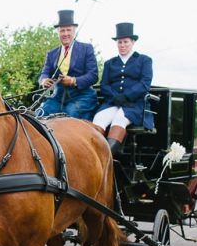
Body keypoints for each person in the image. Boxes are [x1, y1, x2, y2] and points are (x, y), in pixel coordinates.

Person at [93, 22, 153, 154]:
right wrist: (114, 97)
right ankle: (92, 154)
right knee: (99, 119)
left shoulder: (144, 60)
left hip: (133, 104)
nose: (122, 45)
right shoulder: (110, 63)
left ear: (132, 42)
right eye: (119, 42)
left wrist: (126, 96)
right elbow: (104, 84)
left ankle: (106, 156)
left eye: (125, 42)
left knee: (119, 119)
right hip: (112, 102)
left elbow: (145, 83)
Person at [38, 10, 98, 120]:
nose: (65, 34)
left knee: (70, 116)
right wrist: (44, 80)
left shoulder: (86, 49)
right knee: (40, 114)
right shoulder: (51, 54)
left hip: (82, 97)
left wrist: (73, 80)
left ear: (74, 30)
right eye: (62, 31)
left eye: (68, 30)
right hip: (57, 98)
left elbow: (93, 76)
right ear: (58, 32)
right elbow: (44, 73)